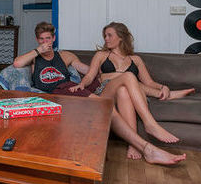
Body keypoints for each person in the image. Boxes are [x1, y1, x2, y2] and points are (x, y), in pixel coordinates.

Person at [13, 22, 185, 165]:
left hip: (76, 87)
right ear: (37, 40)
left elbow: (89, 72)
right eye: (41, 39)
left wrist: (96, 79)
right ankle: (147, 146)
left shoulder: (65, 56)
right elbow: (17, 64)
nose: (45, 42)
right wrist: (38, 50)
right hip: (62, 91)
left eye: (48, 38)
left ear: (53, 38)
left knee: (124, 87)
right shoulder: (34, 58)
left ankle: (145, 136)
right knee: (115, 95)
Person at [71, 22, 193, 159]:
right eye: (105, 36)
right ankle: (150, 123)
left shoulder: (136, 59)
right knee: (128, 76)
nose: (106, 39)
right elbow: (89, 76)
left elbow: (149, 82)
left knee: (124, 90)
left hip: (128, 93)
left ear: (121, 37)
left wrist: (163, 87)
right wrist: (81, 84)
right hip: (106, 91)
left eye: (110, 35)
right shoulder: (101, 55)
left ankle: (133, 144)